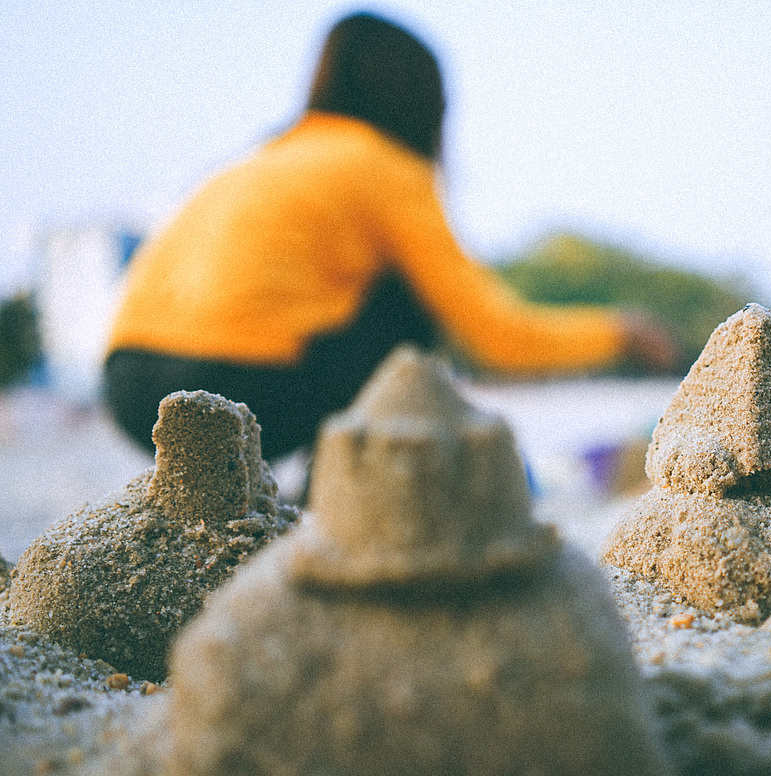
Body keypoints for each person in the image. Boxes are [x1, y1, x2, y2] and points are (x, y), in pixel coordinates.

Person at [104, 11, 675, 461]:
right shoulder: (386, 165)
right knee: (409, 304)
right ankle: (344, 490)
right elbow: (498, 337)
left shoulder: (261, 159)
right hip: (239, 388)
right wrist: (621, 331)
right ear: (423, 103)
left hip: (128, 388)